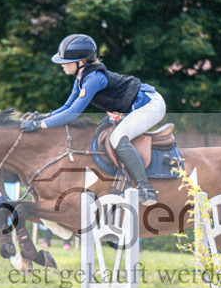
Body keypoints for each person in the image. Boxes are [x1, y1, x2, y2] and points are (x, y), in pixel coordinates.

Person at [20, 33, 166, 205]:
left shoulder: (94, 78)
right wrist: (44, 117)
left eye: (65, 61)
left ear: (80, 62)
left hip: (151, 105)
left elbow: (73, 114)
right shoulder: (81, 78)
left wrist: (40, 125)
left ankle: (146, 189)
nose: (62, 65)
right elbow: (67, 107)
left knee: (117, 138)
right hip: (138, 105)